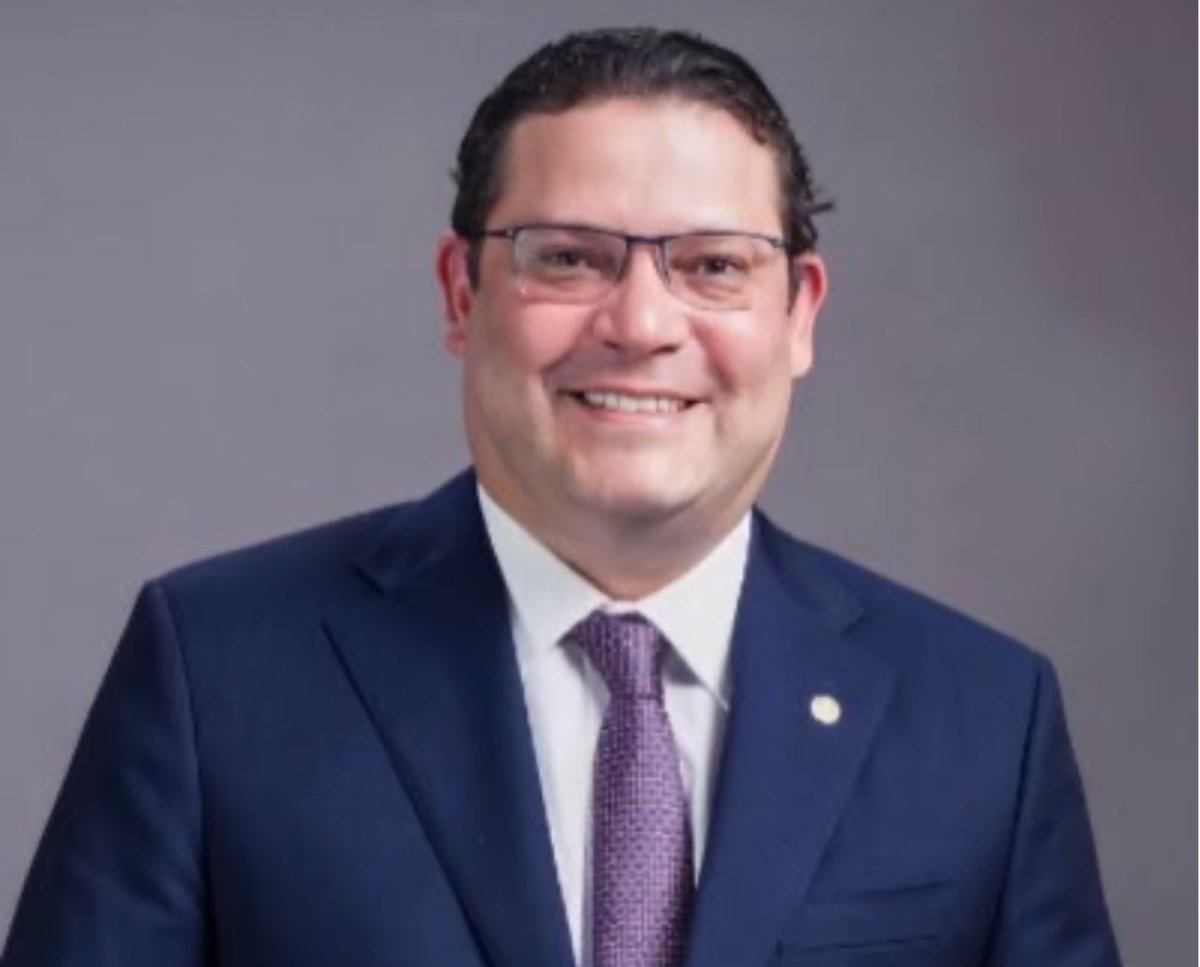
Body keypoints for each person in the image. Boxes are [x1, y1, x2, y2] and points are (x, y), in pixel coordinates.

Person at [4, 27, 1121, 967]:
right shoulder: (216, 673)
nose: (641, 324)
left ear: (799, 314)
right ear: (462, 293)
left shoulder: (983, 718)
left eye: (714, 265)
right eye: (571, 258)